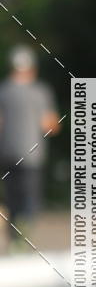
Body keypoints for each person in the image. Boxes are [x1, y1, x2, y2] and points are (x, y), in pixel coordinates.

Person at [0, 45, 61, 251]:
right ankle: (23, 237)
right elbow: (49, 125)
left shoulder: (3, 91)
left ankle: (14, 238)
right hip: (32, 155)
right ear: (32, 69)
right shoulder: (40, 92)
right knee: (29, 198)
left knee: (12, 198)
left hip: (7, 153)